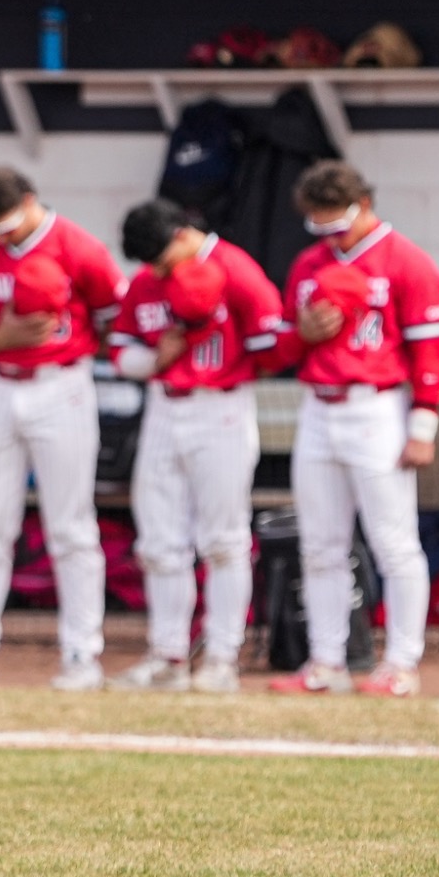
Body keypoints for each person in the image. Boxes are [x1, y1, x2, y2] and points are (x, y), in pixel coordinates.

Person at [268, 160, 439, 698]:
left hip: (377, 406)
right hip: (319, 407)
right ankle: (327, 662)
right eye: (318, 224)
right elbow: (282, 346)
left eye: (336, 222)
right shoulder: (307, 264)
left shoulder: (407, 261)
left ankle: (402, 664)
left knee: (394, 542)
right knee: (321, 544)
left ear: (364, 206)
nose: (329, 235)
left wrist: (424, 426)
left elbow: (430, 348)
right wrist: (301, 332)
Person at [0, 166, 123, 692]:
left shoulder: (77, 246)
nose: (4, 238)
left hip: (61, 384)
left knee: (71, 525)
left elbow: (115, 314)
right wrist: (1, 338)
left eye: (10, 225)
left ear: (31, 201)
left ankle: (81, 653)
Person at [109, 198, 284, 693]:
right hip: (165, 405)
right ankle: (168, 655)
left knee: (223, 539)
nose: (157, 271)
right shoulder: (147, 282)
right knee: (160, 540)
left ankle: (222, 657)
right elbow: (121, 350)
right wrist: (156, 357)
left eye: (162, 259)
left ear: (183, 235)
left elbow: (272, 344)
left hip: (221, 407)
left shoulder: (234, 268)